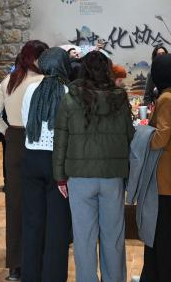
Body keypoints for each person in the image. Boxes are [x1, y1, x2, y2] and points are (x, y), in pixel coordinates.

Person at [53, 50, 134, 282]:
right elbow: (129, 136)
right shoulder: (120, 98)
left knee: (84, 238)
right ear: (107, 70)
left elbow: (61, 139)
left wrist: (59, 176)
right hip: (112, 176)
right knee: (113, 237)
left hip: (79, 177)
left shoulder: (70, 98)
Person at [0, 40, 47, 282]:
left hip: (13, 141)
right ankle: (37, 260)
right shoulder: (43, 81)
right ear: (37, 58)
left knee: (14, 204)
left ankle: (15, 266)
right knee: (39, 203)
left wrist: (8, 133)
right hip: (39, 142)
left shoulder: (9, 80)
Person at [20, 47, 72, 282]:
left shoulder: (31, 89)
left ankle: (30, 275)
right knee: (57, 226)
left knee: (32, 222)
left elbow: (25, 121)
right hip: (58, 162)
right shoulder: (68, 92)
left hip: (31, 158)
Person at [140, 52, 171, 282]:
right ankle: (154, 274)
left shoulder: (167, 99)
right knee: (161, 229)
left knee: (160, 231)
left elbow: (161, 138)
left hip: (164, 174)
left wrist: (142, 136)